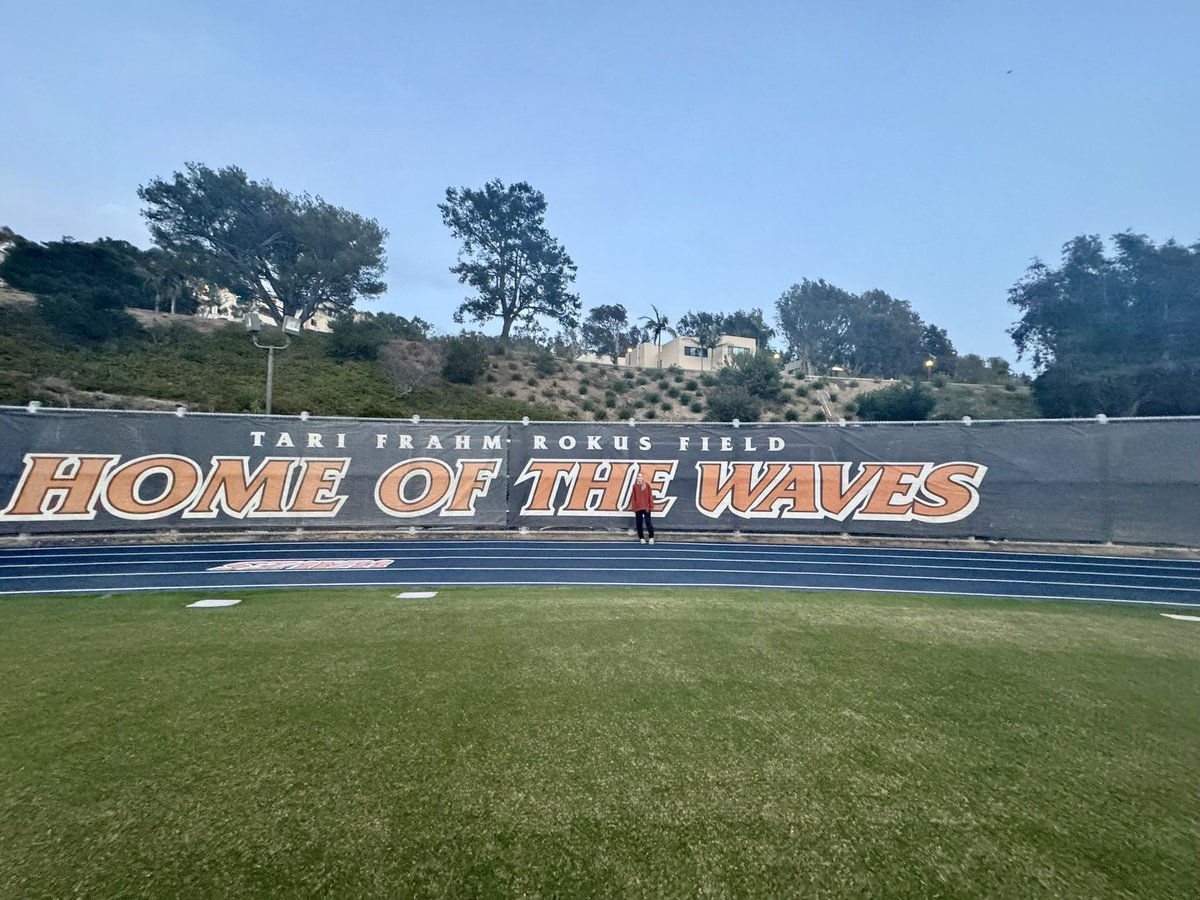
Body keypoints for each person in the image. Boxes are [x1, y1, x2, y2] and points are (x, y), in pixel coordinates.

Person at [630, 471, 656, 544]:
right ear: (636, 478)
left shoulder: (646, 485)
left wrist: (651, 505)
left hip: (646, 507)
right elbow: (633, 497)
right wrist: (634, 507)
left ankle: (651, 537)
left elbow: (650, 495)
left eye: (641, 476)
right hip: (638, 507)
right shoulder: (634, 486)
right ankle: (641, 538)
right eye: (638, 476)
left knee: (648, 521)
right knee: (639, 523)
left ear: (643, 477)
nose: (640, 478)